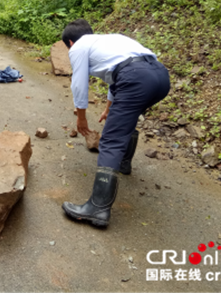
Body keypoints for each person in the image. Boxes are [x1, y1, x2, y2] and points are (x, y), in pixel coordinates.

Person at [60, 19, 170, 227]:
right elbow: (117, 76)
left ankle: (98, 208)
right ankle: (123, 163)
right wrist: (109, 108)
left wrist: (81, 117)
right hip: (160, 77)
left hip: (136, 79)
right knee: (123, 121)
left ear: (71, 43)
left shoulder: (78, 47)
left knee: (111, 139)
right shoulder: (111, 40)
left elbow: (79, 83)